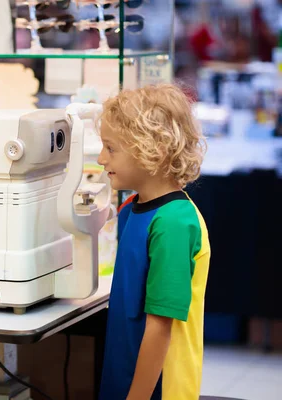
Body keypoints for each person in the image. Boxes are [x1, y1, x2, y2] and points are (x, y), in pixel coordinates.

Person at [96, 84, 210, 400]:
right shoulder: (132, 208)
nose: (101, 158)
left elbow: (161, 327)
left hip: (157, 389)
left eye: (111, 148)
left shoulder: (173, 222)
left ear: (152, 149)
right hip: (126, 374)